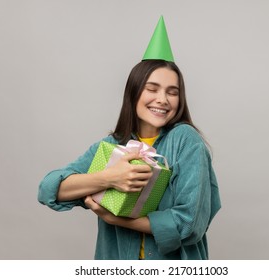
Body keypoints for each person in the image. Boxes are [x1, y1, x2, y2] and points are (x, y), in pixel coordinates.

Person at [38, 16, 221, 260]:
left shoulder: (186, 141)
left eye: (172, 92)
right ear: (134, 92)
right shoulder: (111, 146)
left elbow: (189, 225)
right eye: (152, 88)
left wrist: (116, 219)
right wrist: (109, 178)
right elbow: (49, 190)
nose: (163, 99)